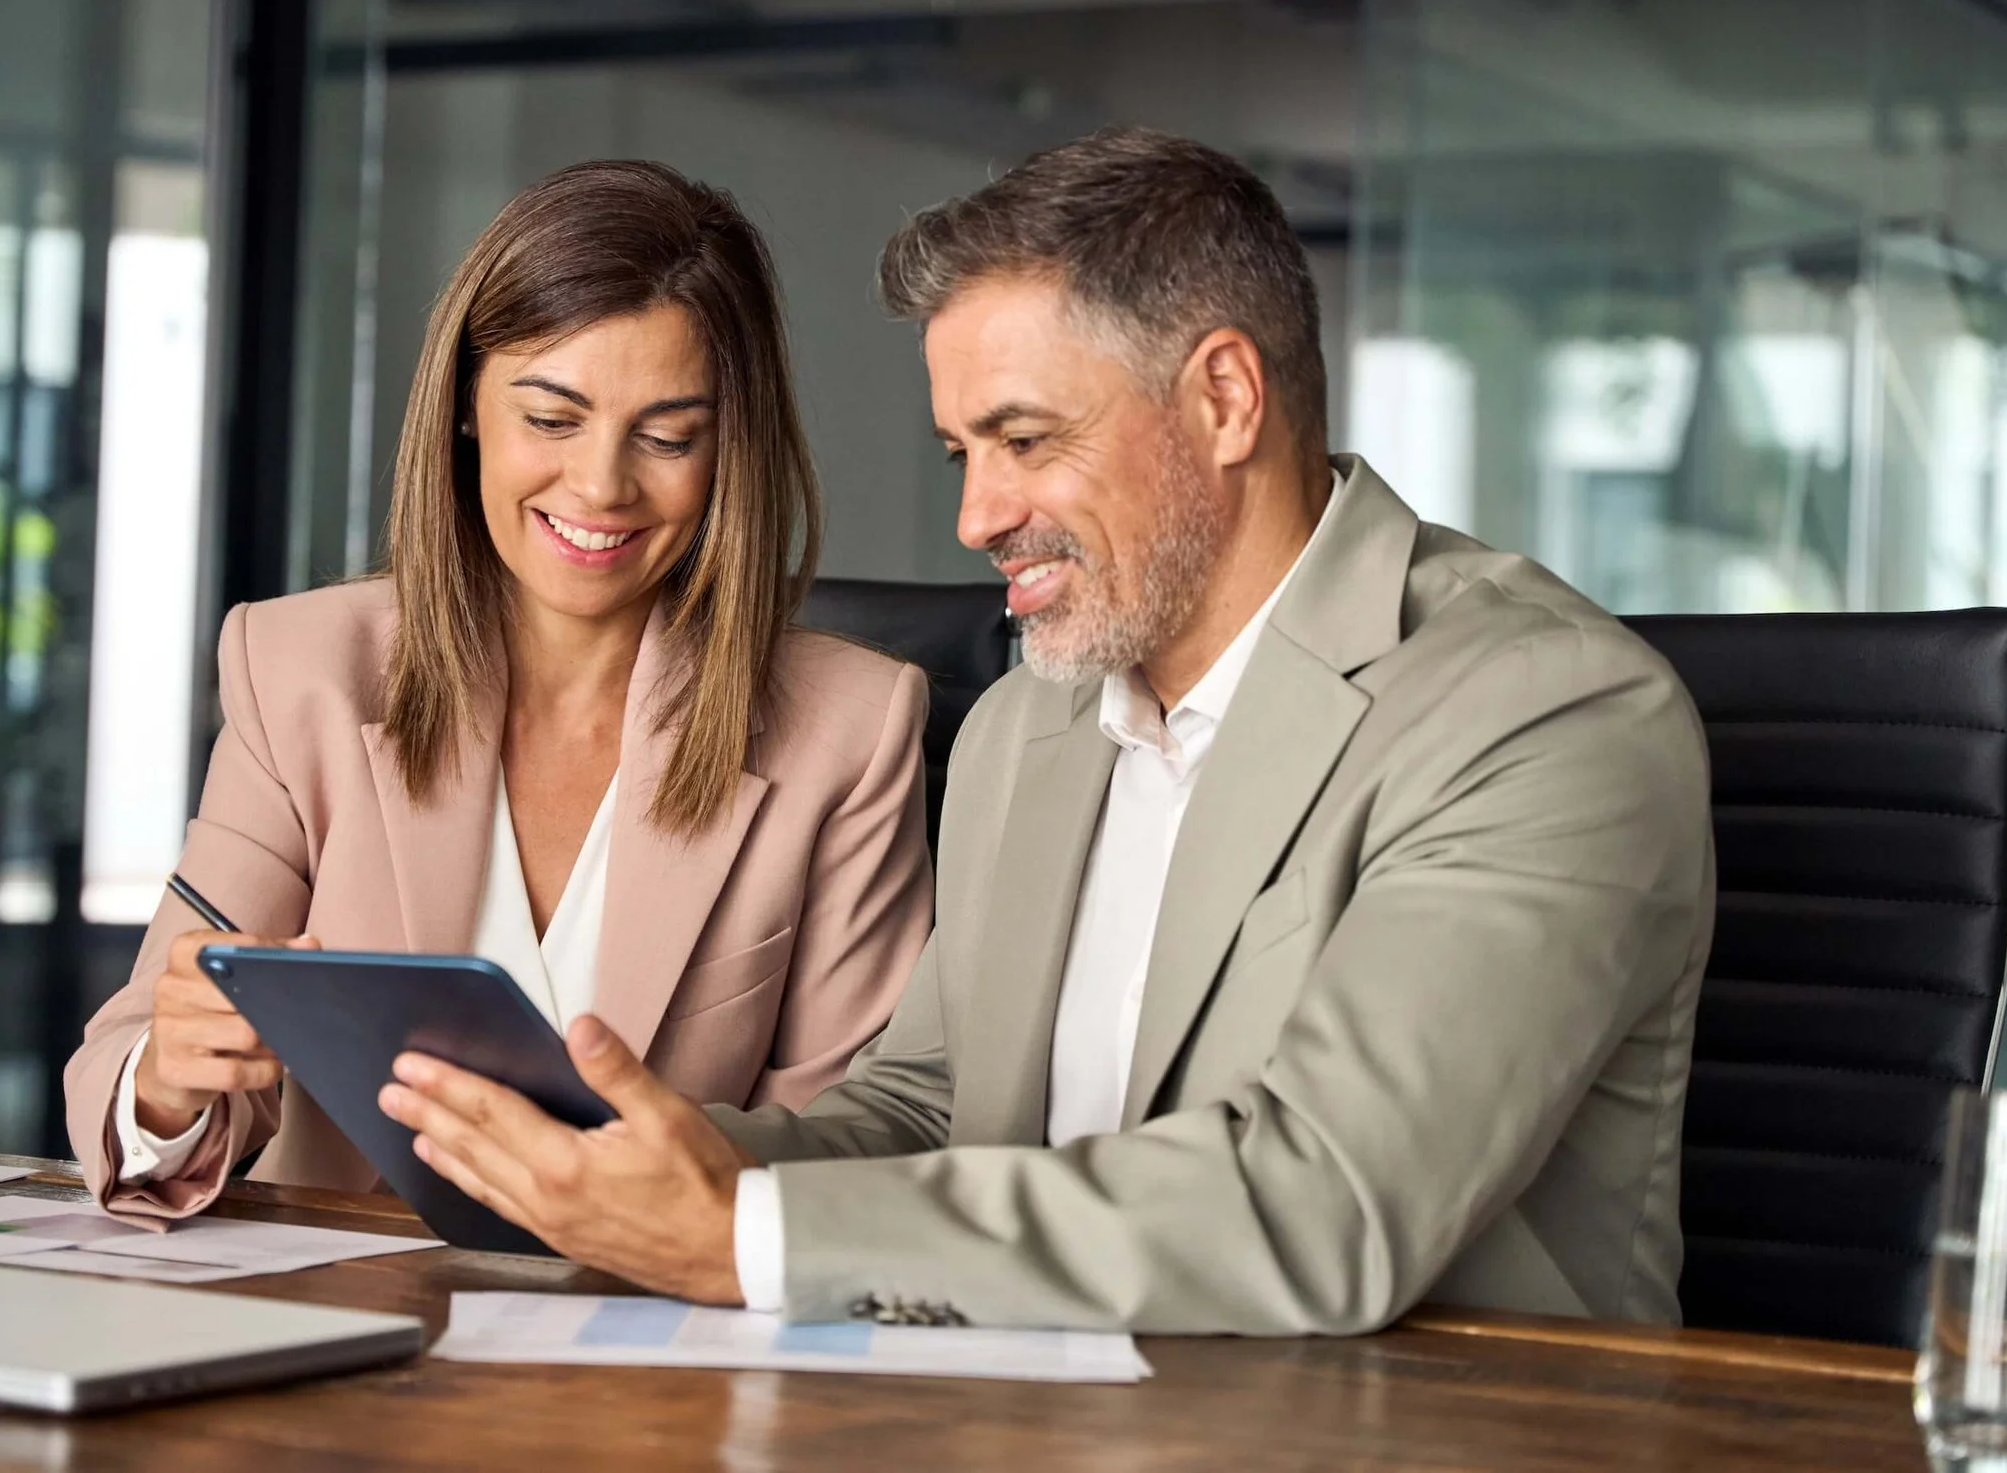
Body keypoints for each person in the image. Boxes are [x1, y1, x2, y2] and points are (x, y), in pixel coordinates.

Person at [374, 127, 1717, 1335]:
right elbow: (926, 1114)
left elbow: (1323, 1203)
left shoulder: (1544, 712)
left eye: (1023, 438)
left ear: (1225, 398)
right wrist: (645, 1164)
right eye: (965, 451)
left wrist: (745, 1236)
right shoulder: (1032, 723)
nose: (976, 515)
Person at [64, 160, 935, 1221]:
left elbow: (860, 1140)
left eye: (667, 437)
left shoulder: (849, 730)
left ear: (730, 451)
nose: (602, 485)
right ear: (468, 405)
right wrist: (171, 1074)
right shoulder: (298, 670)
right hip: (344, 1327)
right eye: (553, 418)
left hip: (658, 1332)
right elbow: (129, 1061)